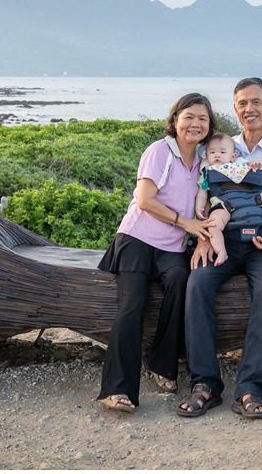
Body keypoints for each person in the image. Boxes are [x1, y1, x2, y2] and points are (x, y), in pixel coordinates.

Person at [178, 77, 262, 420]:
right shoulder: (223, 146)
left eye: (256, 102)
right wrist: (206, 237)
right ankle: (205, 385)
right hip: (225, 239)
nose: (249, 109)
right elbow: (208, 196)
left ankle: (250, 390)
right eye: (242, 103)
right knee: (196, 284)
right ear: (235, 108)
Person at [94, 93, 218, 413]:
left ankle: (161, 364)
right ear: (175, 119)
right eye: (188, 116)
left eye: (202, 119)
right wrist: (185, 223)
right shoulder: (159, 150)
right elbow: (146, 200)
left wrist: (204, 236)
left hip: (171, 247)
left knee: (180, 283)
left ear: (209, 125)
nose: (195, 124)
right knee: (132, 304)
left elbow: (210, 205)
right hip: (137, 238)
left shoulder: (205, 160)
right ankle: (117, 389)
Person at [195, 132, 262, 267]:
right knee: (214, 224)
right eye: (212, 153)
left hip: (251, 199)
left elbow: (256, 168)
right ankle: (221, 251)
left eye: (222, 152)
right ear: (206, 155)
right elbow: (202, 193)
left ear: (233, 156)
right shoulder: (207, 172)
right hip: (223, 204)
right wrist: (199, 209)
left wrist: (256, 165)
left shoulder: (241, 164)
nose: (217, 155)